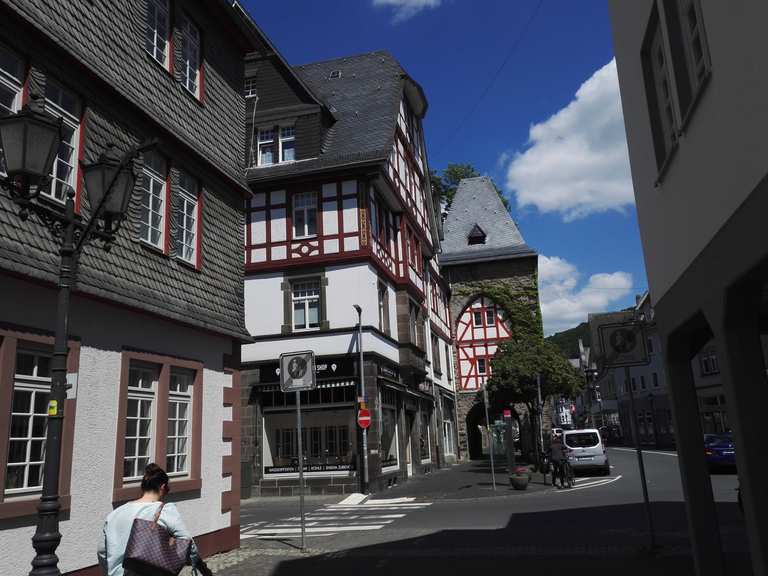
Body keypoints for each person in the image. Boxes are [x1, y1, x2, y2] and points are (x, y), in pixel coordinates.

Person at [97, 463, 212, 576]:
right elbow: (189, 544)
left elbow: (102, 551)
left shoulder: (114, 515)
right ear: (162, 487)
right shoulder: (164, 511)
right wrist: (201, 568)